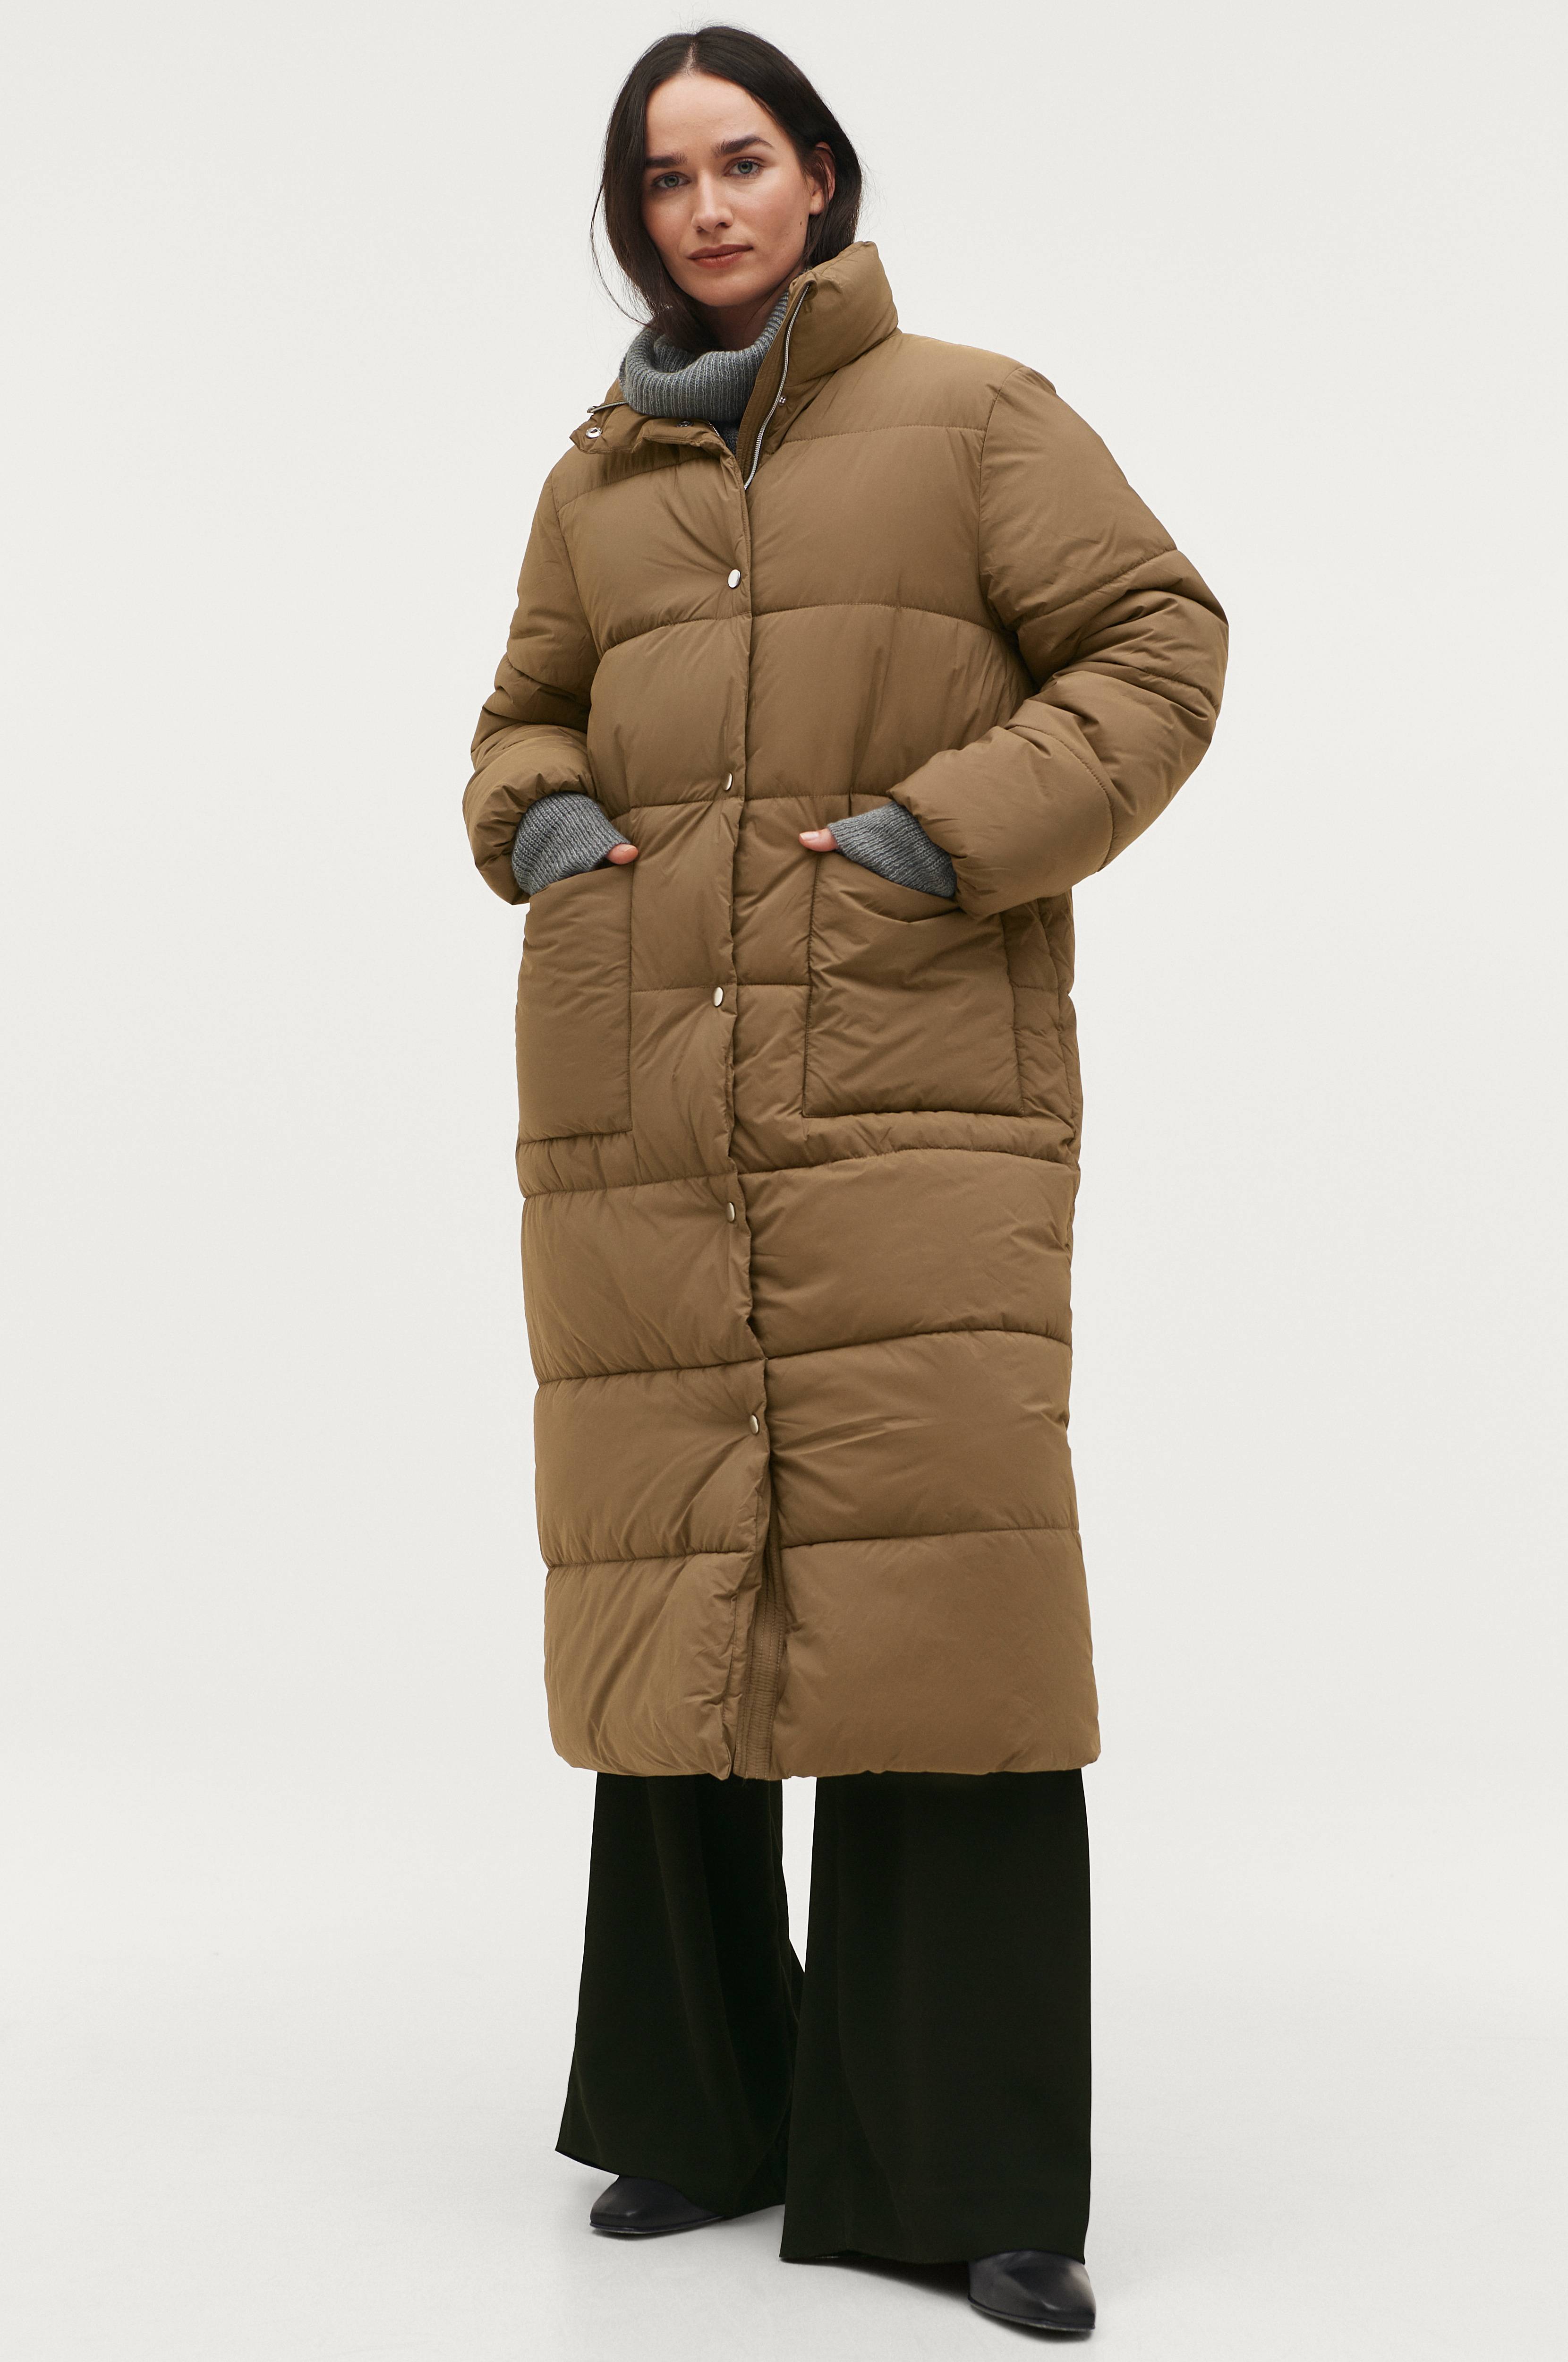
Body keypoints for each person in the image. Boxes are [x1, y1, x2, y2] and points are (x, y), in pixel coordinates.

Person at [462, 24, 1227, 2338]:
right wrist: (544, 824)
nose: (703, 207)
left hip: (905, 1080)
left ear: (818, 176)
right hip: (643, 1099)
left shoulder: (971, 414)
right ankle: (698, 2106)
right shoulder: (594, 476)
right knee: (669, 1571)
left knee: (940, 1591)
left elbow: (1158, 643)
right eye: (661, 176)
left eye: (740, 161)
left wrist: (932, 836)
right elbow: (520, 714)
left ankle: (963, 2170)